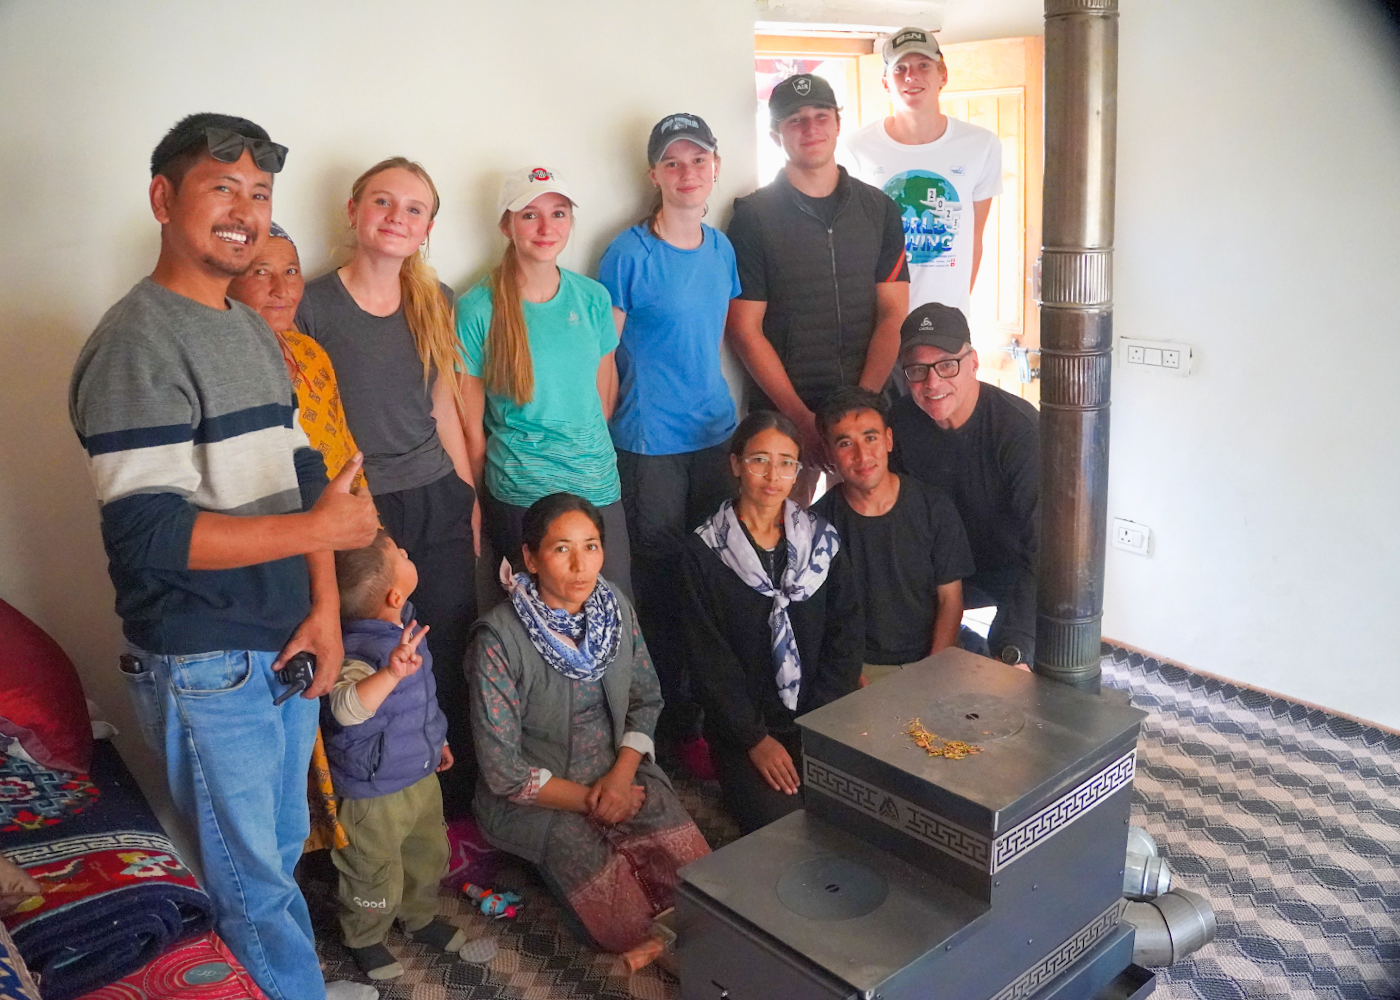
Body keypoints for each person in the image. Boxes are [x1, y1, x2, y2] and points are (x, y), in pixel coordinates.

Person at [68, 113, 380, 1000]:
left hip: (281, 638)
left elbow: (305, 480)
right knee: (254, 887)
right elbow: (150, 535)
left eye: (260, 193)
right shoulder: (137, 341)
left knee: (274, 863)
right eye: (222, 188)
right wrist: (320, 538)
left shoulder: (249, 329)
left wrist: (322, 607)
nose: (245, 211)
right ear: (164, 199)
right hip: (206, 657)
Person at [296, 157, 479, 816]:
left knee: (449, 641)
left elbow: (437, 409)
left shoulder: (439, 299)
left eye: (414, 209)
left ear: (428, 225)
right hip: (361, 511)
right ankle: (375, 806)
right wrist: (346, 514)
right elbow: (307, 426)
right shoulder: (312, 303)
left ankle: (449, 804)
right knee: (372, 657)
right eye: (382, 201)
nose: (396, 217)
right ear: (352, 210)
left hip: (436, 495)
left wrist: (469, 497)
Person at [467, 493, 709, 953]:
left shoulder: (613, 605)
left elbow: (646, 696)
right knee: (622, 920)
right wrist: (593, 801)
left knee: (697, 883)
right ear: (530, 558)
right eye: (561, 549)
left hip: (620, 773)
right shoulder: (497, 640)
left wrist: (620, 778)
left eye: (591, 546)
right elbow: (503, 771)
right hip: (541, 796)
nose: (581, 565)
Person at [597, 113, 739, 774]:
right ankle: (667, 731)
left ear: (715, 166)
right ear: (654, 174)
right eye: (673, 163)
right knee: (658, 590)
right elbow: (605, 353)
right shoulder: (628, 253)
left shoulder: (721, 249)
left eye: (698, 161)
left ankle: (712, 718)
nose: (687, 174)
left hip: (715, 436)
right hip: (649, 442)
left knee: (712, 581)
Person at [228, 221, 355, 854]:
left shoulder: (310, 354)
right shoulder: (227, 366)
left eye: (291, 271)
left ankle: (360, 861)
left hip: (342, 553)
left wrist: (372, 536)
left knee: (356, 698)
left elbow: (344, 453)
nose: (280, 288)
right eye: (260, 271)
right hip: (279, 567)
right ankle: (301, 874)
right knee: (290, 719)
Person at [726, 73, 910, 505]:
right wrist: (802, 421)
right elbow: (744, 330)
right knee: (787, 532)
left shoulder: (879, 209)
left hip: (870, 401)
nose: (810, 129)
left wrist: (861, 412)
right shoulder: (754, 217)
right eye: (795, 120)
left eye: (820, 116)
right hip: (788, 411)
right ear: (776, 135)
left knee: (869, 524)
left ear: (837, 123)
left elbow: (893, 315)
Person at [323, 530, 496, 979]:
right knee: (371, 870)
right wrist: (390, 673)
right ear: (393, 592)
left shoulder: (406, 625)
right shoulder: (356, 648)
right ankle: (365, 934)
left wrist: (435, 739)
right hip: (371, 792)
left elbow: (420, 699)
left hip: (418, 773)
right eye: (400, 552)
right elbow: (345, 708)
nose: (407, 549)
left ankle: (418, 917)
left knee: (427, 852)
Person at [680, 412, 863, 834]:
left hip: (821, 718)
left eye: (786, 462)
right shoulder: (704, 550)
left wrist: (819, 726)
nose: (772, 475)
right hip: (746, 732)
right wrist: (755, 740)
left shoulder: (821, 540)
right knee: (785, 830)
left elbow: (846, 632)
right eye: (759, 459)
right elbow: (708, 661)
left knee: (855, 818)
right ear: (735, 464)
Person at [458, 168, 631, 596]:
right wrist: (478, 500)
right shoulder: (477, 307)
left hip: (596, 484)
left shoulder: (593, 298)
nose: (546, 227)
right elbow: (470, 425)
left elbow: (603, 398)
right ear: (506, 225)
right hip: (520, 493)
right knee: (533, 625)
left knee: (611, 610)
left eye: (558, 213)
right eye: (529, 215)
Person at [888, 302, 1038, 666]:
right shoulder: (900, 423)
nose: (932, 383)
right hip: (940, 567)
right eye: (918, 370)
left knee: (1013, 658)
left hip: (1012, 567)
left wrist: (1017, 645)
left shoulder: (1019, 430)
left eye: (946, 365)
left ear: (972, 362)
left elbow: (1045, 545)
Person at [844, 28, 1003, 327]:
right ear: (885, 84)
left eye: (923, 66)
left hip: (948, 321)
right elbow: (854, 244)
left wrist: (955, 310)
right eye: (900, 69)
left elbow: (974, 238)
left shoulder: (981, 145)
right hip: (879, 322)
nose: (911, 76)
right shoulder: (857, 148)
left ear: (942, 74)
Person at [812, 386, 974, 680]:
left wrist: (932, 673)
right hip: (858, 668)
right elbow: (821, 617)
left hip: (934, 658)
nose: (862, 455)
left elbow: (951, 600)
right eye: (845, 443)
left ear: (888, 440)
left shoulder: (932, 506)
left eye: (870, 438)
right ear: (829, 452)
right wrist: (854, 678)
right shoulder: (817, 524)